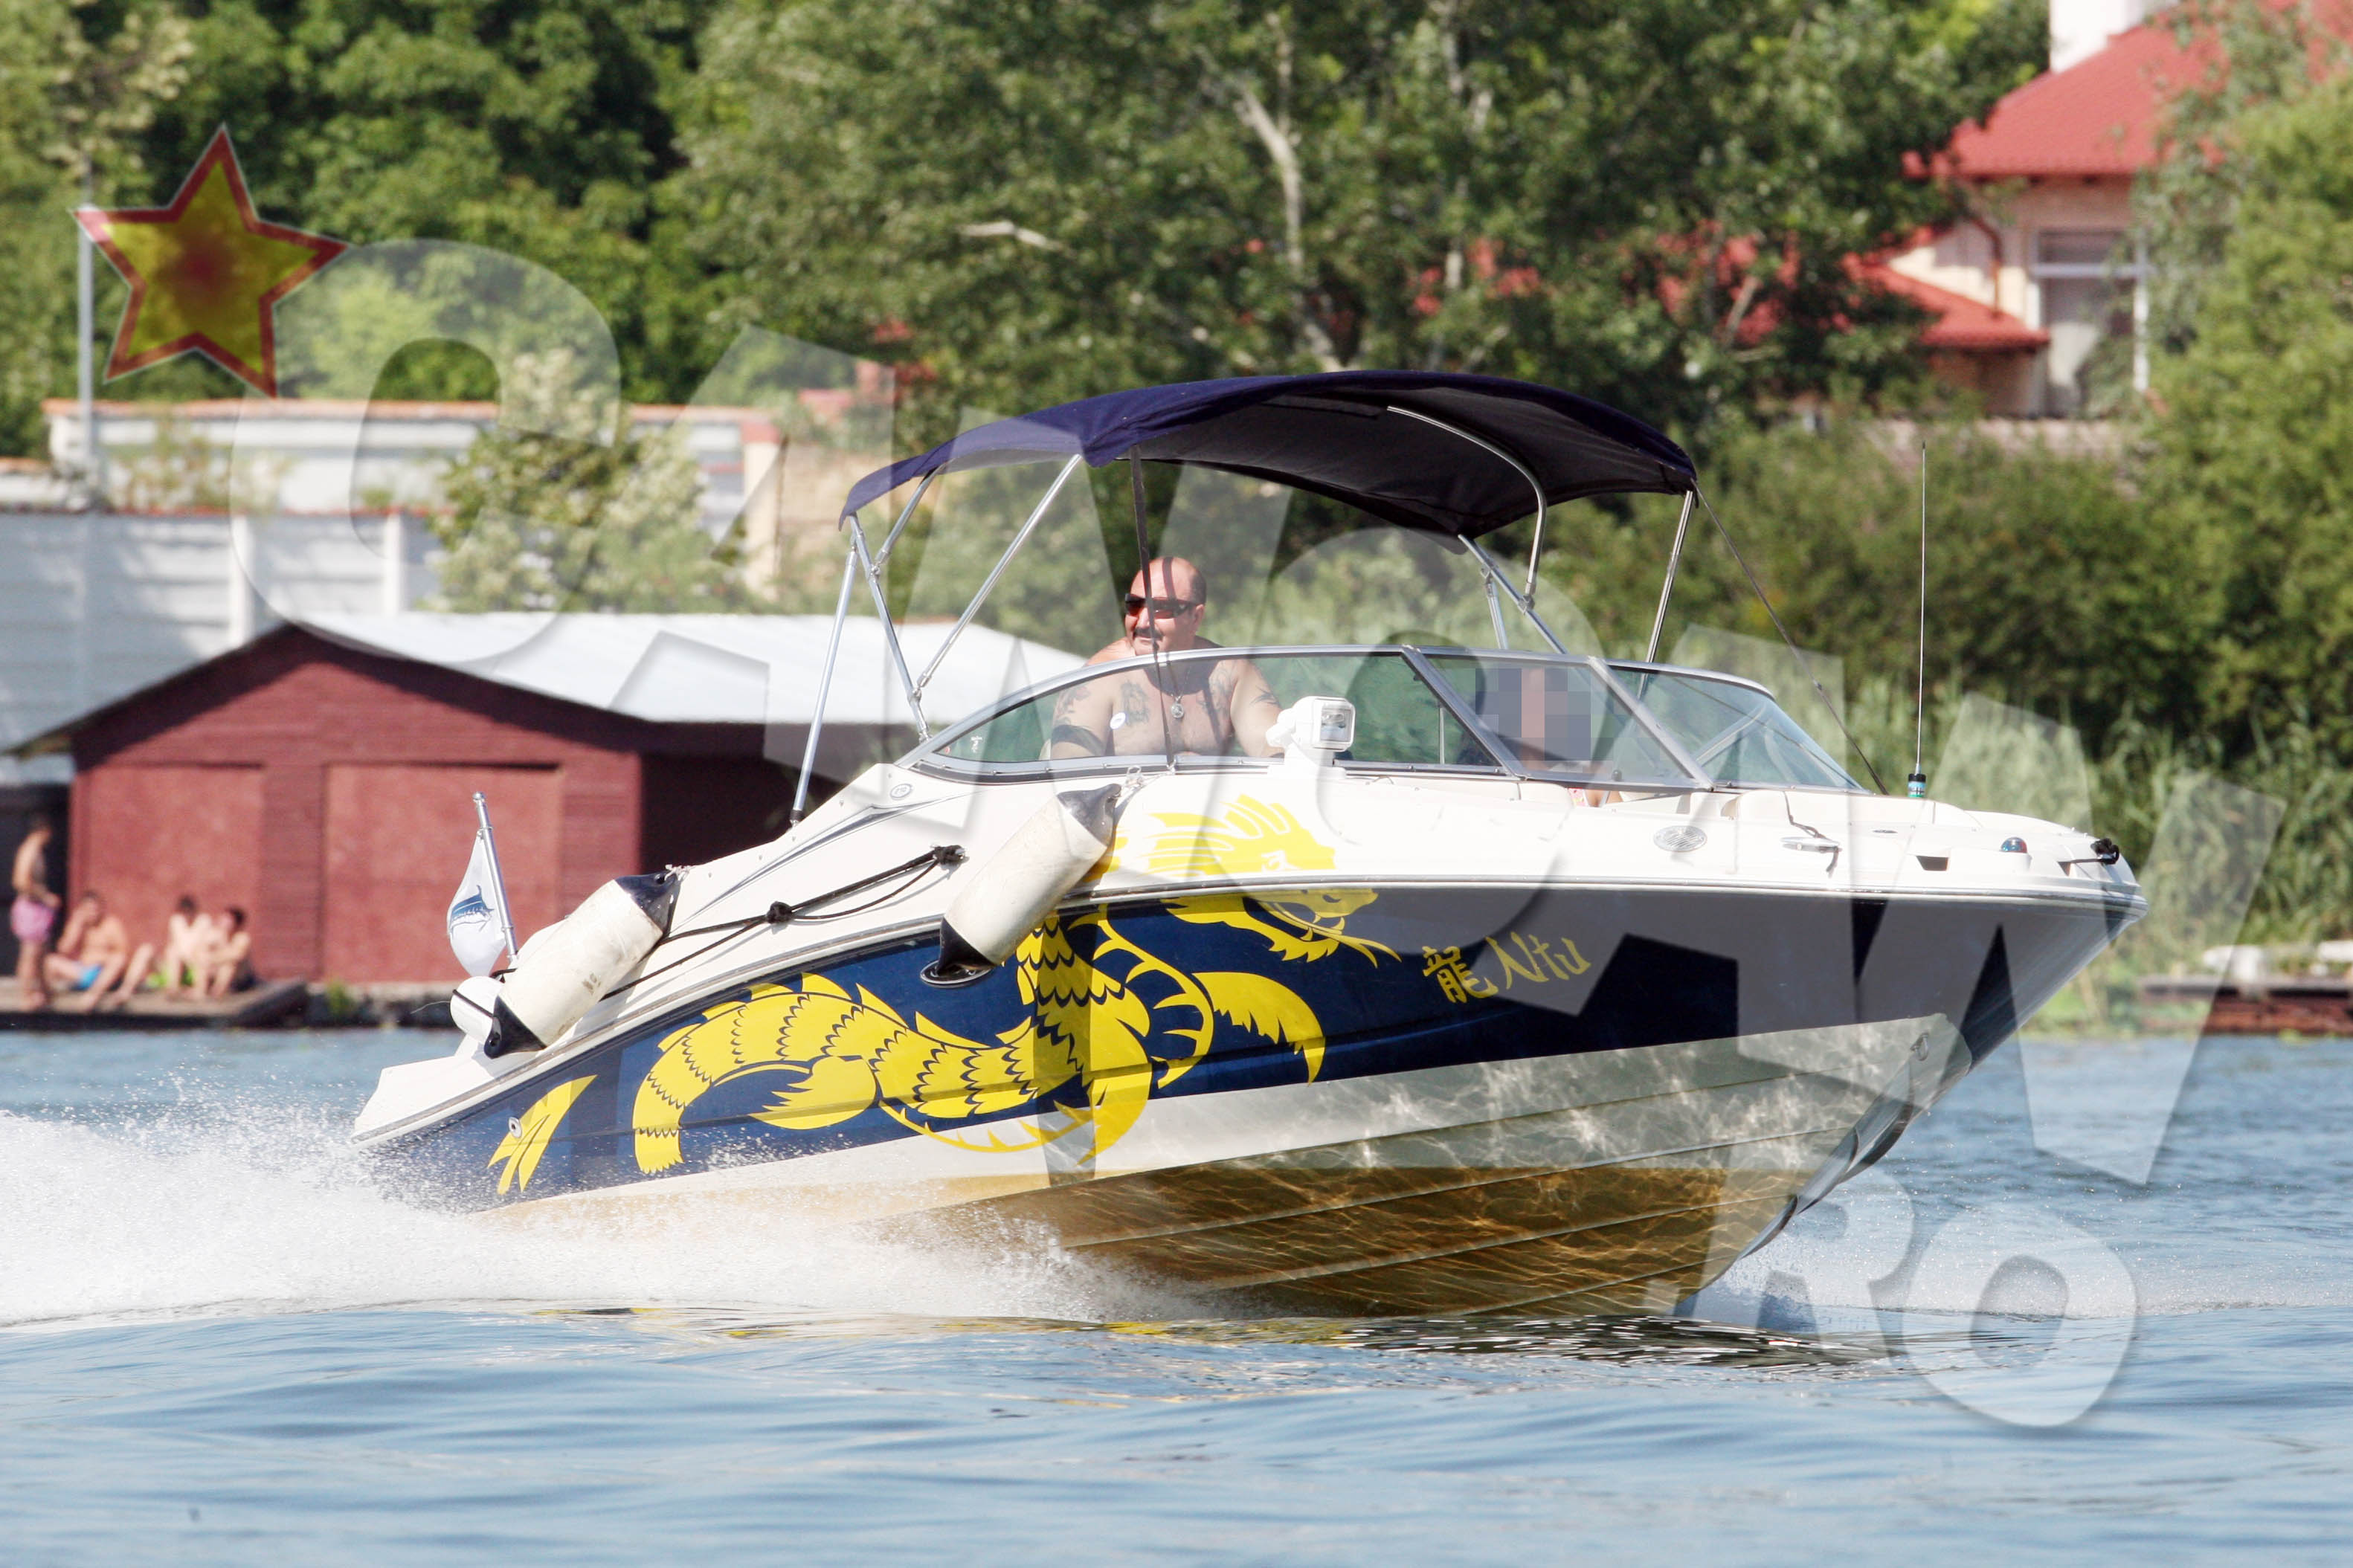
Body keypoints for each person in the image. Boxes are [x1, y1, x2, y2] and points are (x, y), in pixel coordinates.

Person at [1049, 558, 1283, 759]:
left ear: (1196, 616)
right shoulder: (1099, 676)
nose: (1141, 622)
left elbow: (1274, 748)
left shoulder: (1232, 672)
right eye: (1134, 605)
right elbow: (1070, 773)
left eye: (1160, 608)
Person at [43, 889, 152, 1012]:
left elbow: (123, 953)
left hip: (105, 973)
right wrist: (76, 926)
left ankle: (93, 997)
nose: (93, 913)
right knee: (50, 961)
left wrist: (101, 958)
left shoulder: (111, 924)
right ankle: (46, 998)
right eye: (89, 910)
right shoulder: (79, 925)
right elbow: (63, 949)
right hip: (83, 971)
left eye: (96, 909)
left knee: (118, 959)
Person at [10, 813, 60, 1010]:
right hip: (31, 907)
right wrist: (45, 896)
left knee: (40, 952)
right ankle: (26, 997)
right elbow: (21, 881)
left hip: (38, 908)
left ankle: (44, 993)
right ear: (44, 831)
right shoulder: (29, 850)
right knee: (30, 953)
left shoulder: (35, 850)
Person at [202, 906, 253, 998]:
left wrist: (214, 958)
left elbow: (237, 956)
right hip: (217, 973)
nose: (224, 922)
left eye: (228, 920)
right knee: (204, 964)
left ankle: (217, 994)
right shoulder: (216, 935)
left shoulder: (242, 938)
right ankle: (200, 992)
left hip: (240, 978)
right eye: (223, 919)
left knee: (228, 966)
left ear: (236, 923)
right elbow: (202, 953)